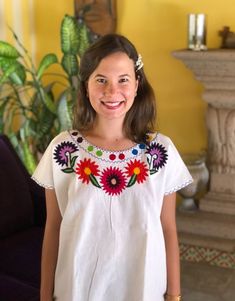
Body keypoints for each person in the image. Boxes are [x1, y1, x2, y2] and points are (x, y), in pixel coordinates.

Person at [32, 33, 193, 301]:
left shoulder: (159, 152)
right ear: (86, 86)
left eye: (123, 80)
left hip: (143, 287)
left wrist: (174, 295)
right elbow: (54, 226)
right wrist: (45, 295)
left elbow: (167, 228)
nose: (112, 91)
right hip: (78, 287)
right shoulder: (63, 150)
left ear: (137, 84)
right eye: (101, 80)